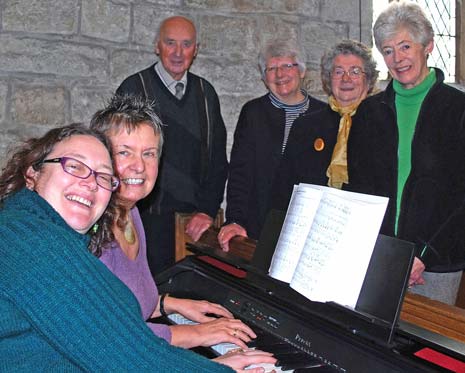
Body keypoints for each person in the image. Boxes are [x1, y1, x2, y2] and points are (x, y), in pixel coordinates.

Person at [0, 123, 236, 371]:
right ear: (32, 175)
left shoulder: (30, 229)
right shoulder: (33, 241)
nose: (90, 183)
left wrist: (166, 304)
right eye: (74, 166)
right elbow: (135, 360)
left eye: (102, 176)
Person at [89, 95, 276, 371]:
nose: (139, 166)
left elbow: (126, 303)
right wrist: (203, 338)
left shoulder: (130, 211)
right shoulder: (92, 230)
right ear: (101, 157)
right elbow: (110, 339)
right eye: (125, 152)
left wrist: (169, 304)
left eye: (149, 153)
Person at [350, 1, 465, 305]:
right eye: (388, 50)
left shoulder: (457, 109)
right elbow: (362, 188)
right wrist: (380, 248)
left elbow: (460, 195)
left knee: (428, 347)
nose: (397, 58)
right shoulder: (370, 112)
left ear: (427, 46)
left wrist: (423, 255)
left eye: (405, 46)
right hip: (382, 255)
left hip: (437, 262)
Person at [116, 16, 228, 276]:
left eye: (186, 44)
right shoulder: (133, 89)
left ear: (196, 50)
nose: (178, 53)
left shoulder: (206, 93)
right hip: (143, 223)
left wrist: (207, 211)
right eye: (170, 43)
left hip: (193, 227)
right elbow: (116, 159)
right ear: (157, 46)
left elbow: (218, 160)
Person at [218, 38, 326, 251]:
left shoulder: (324, 115)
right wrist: (235, 220)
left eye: (287, 65)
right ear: (264, 77)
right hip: (260, 225)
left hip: (309, 230)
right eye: (271, 68)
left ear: (302, 71)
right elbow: (241, 173)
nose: (280, 74)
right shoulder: (253, 113)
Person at [271, 39, 378, 211]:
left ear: (369, 79)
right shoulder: (305, 126)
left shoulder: (382, 125)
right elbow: (284, 189)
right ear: (328, 79)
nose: (346, 78)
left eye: (355, 71)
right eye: (338, 71)